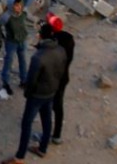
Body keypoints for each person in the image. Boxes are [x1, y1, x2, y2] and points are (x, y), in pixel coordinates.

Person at [9, 23, 67, 163]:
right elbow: (62, 72)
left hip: (37, 95)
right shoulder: (61, 50)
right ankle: (42, 148)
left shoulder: (38, 57)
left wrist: (27, 94)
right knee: (46, 119)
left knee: (26, 123)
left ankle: (19, 157)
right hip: (52, 91)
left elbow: (31, 80)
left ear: (41, 36)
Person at [45, 14, 74, 146]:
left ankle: (46, 136)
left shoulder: (51, 41)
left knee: (46, 105)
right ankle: (57, 134)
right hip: (63, 77)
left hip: (51, 78)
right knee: (58, 106)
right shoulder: (69, 38)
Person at [0, 0, 30, 96]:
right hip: (11, 42)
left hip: (23, 40)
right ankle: (5, 82)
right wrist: (3, 36)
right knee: (8, 61)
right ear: (11, 6)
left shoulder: (23, 13)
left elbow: (29, 19)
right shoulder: (6, 16)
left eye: (19, 5)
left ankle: (24, 80)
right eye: (16, 5)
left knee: (23, 61)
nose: (18, 7)